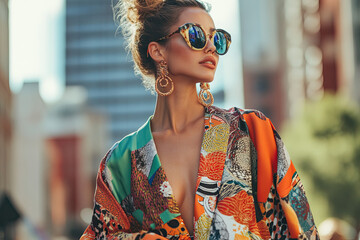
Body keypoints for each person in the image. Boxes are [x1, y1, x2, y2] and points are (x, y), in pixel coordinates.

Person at [81, 0, 319, 239]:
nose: (211, 48)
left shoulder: (250, 132)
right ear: (158, 51)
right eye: (195, 35)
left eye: (217, 39)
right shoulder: (121, 162)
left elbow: (300, 227)